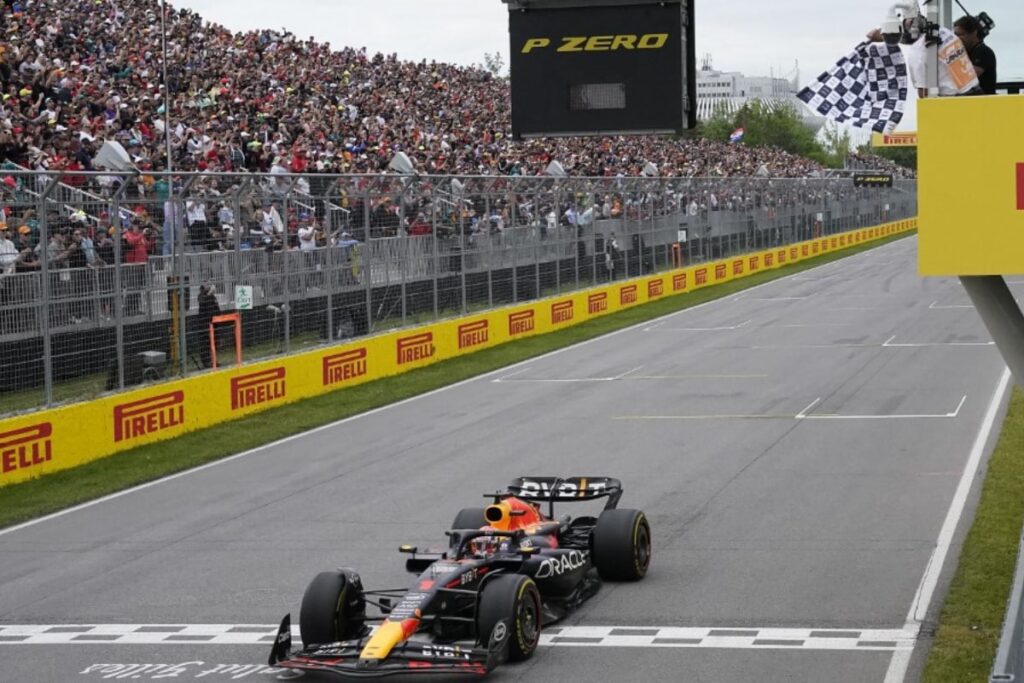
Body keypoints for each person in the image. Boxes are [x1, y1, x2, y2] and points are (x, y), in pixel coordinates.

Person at [953, 15, 997, 95]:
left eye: (960, 35)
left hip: (984, 103)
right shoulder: (964, 52)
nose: (957, 39)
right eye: (955, 35)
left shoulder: (984, 52)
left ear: (973, 33)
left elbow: (967, 77)